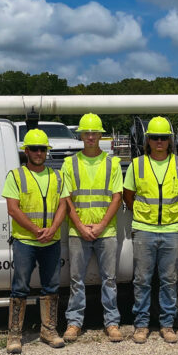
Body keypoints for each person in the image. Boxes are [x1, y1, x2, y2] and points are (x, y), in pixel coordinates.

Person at [123, 117, 178, 344]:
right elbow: (128, 196)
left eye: (163, 137)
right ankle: (141, 325)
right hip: (144, 230)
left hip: (171, 230)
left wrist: (172, 213)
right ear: (148, 141)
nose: (159, 141)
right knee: (142, 280)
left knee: (169, 280)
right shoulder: (137, 165)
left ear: (170, 140)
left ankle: (167, 325)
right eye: (155, 137)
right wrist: (143, 215)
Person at [60, 113, 125, 343]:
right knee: (76, 280)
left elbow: (117, 197)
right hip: (78, 230)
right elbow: (66, 197)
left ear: (100, 135)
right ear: (80, 136)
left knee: (110, 279)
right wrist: (80, 225)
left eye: (94, 133)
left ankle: (112, 323)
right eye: (86, 133)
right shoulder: (69, 163)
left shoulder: (112, 163)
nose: (90, 137)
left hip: (105, 231)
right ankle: (74, 323)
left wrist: (101, 225)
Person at [3, 128, 68, 354]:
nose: (39, 153)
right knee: (20, 287)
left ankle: (49, 330)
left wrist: (53, 229)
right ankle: (14, 335)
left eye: (42, 149)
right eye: (34, 149)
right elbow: (13, 208)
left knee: (51, 286)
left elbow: (63, 205)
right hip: (25, 241)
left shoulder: (57, 176)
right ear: (26, 151)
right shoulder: (15, 176)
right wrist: (36, 230)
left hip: (51, 240)